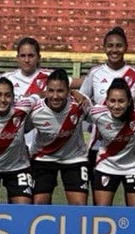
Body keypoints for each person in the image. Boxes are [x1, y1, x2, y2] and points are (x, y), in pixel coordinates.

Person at [80, 27, 135, 196]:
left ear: (126, 47)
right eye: (110, 45)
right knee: (99, 201)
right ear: (104, 47)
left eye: (119, 45)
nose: (114, 50)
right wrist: (96, 122)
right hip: (99, 145)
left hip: (129, 145)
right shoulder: (95, 73)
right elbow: (82, 100)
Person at [27, 68, 90, 206]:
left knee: (79, 207)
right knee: (39, 205)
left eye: (60, 91)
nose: (55, 96)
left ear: (68, 91)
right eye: (51, 91)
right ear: (46, 91)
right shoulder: (35, 111)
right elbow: (19, 130)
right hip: (43, 158)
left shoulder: (80, 105)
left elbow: (101, 120)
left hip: (74, 158)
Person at [88, 78, 135, 207]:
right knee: (102, 212)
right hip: (106, 166)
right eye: (112, 101)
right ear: (107, 101)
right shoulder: (96, 113)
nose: (116, 106)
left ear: (129, 102)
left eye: (121, 101)